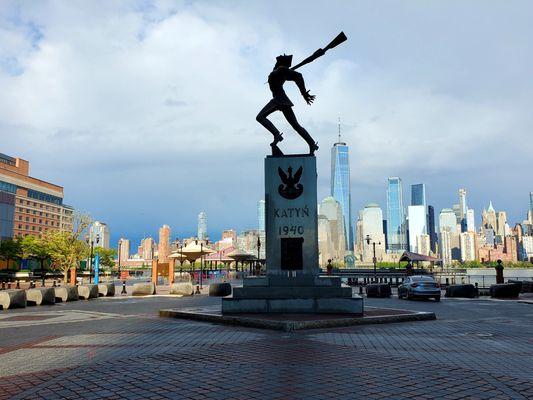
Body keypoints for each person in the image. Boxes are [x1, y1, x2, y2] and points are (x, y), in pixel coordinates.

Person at [256, 54, 319, 155]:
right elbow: (293, 76)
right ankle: (311, 143)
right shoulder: (279, 71)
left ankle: (277, 135)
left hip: (279, 99)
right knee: (296, 125)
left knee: (260, 117)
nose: (279, 57)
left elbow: (298, 76)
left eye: (280, 57)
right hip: (281, 99)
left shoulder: (281, 70)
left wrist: (304, 94)